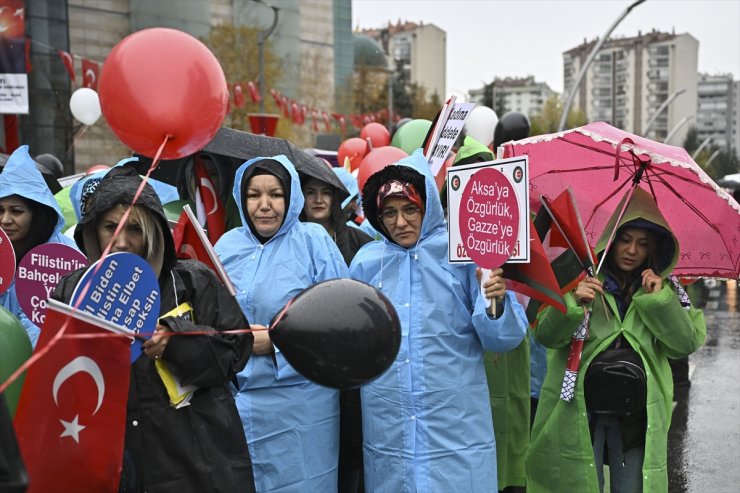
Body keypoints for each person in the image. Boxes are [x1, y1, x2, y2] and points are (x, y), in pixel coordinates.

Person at [52, 166, 255, 493]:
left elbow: (236, 351)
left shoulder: (190, 281)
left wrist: (177, 341)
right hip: (108, 462)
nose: (121, 240)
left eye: (134, 228)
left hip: (189, 464)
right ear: (93, 231)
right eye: (109, 226)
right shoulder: (73, 291)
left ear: (154, 231)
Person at [349, 150, 528, 493]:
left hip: (454, 428)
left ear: (427, 206)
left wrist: (495, 301)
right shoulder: (365, 263)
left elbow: (501, 339)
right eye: (389, 212)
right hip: (390, 426)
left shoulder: (461, 252)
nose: (400, 222)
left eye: (410, 209)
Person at [526, 187, 706, 493]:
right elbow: (546, 335)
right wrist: (572, 302)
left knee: (632, 486)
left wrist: (660, 300)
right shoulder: (580, 275)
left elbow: (684, 344)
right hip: (579, 409)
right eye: (625, 239)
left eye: (642, 244)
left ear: (654, 249)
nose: (632, 250)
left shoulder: (665, 289)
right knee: (577, 482)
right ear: (612, 238)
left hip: (637, 413)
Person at [215, 155, 348, 493]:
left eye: (274, 194)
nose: (264, 205)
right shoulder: (226, 246)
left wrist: (275, 343)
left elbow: (339, 322)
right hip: (237, 404)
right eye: (253, 195)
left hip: (301, 409)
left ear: (291, 198)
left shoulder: (314, 243)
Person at [299, 172, 372, 493]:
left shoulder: (358, 241)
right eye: (310, 192)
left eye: (325, 193)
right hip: (308, 356)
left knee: (351, 438)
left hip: (350, 357)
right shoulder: (293, 239)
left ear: (335, 198)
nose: (317, 199)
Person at [0, 145, 78, 347]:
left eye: (16, 211)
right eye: (0, 210)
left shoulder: (64, 256)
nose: (5, 219)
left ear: (37, 214)